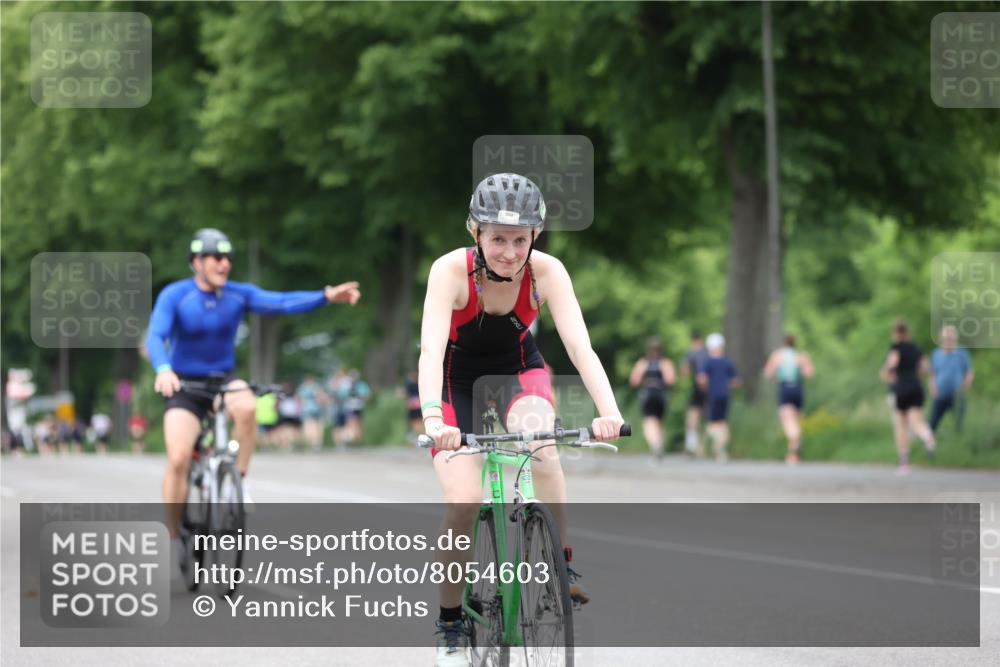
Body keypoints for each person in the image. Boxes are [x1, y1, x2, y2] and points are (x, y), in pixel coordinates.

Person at [419, 173, 624, 667]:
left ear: (535, 237)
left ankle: (561, 564)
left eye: (519, 239)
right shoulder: (450, 271)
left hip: (519, 371)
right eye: (497, 239)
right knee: (464, 501)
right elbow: (429, 349)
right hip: (455, 384)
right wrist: (432, 418)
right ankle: (450, 622)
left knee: (545, 447)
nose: (509, 251)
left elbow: (579, 345)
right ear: (476, 234)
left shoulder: (548, 272)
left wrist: (609, 411)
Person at [146, 228, 361, 574]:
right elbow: (156, 334)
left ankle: (237, 481)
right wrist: (163, 368)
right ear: (196, 262)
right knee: (178, 458)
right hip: (184, 384)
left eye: (229, 257)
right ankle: (174, 537)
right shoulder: (176, 295)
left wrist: (325, 295)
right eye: (217, 257)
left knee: (247, 406)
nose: (224, 263)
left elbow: (280, 302)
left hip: (222, 380)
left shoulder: (237, 294)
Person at [879, 319, 935, 474]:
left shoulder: (896, 347)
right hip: (917, 386)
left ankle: (904, 461)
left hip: (902, 387)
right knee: (916, 421)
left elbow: (892, 364)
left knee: (901, 425)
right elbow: (926, 368)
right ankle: (927, 436)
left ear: (895, 332)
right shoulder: (916, 348)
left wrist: (885, 372)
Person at [763, 334, 815, 464]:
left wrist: (777, 371)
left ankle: (794, 441)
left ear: (783, 344)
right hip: (798, 388)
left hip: (785, 389)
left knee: (787, 420)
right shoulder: (801, 356)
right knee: (796, 420)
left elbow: (768, 373)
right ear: (794, 344)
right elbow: (809, 373)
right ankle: (793, 454)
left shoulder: (777, 355)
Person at [628, 337, 676, 463]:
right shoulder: (665, 363)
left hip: (649, 394)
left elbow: (634, 381)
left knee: (650, 421)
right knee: (658, 422)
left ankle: (655, 445)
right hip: (661, 395)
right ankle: (658, 444)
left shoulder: (643, 363)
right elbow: (671, 380)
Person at [697, 333, 741, 463]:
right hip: (725, 395)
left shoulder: (708, 362)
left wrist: (705, 388)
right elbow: (736, 381)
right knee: (723, 422)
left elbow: (701, 379)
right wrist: (727, 385)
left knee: (712, 423)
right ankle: (720, 449)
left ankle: (712, 447)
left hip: (713, 395)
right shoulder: (728, 361)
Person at [928, 325, 974, 434]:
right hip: (941, 395)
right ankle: (929, 443)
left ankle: (959, 444)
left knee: (959, 423)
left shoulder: (962, 353)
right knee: (932, 422)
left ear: (955, 338)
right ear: (941, 339)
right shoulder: (936, 354)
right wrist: (933, 388)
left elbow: (969, 372)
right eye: (946, 338)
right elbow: (933, 374)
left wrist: (964, 388)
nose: (948, 340)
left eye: (950, 337)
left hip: (957, 395)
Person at [681, 332, 709, 457]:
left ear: (694, 341)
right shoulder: (708, 353)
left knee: (693, 417)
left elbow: (685, 371)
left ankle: (691, 446)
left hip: (698, 389)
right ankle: (706, 448)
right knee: (711, 419)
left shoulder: (692, 353)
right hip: (712, 389)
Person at [296, 373, 327, 451]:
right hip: (317, 409)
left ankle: (311, 442)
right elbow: (322, 397)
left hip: (307, 409)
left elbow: (299, 399)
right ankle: (316, 443)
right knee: (317, 427)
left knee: (309, 426)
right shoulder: (316, 387)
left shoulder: (303, 388)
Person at [403, 369, 423, 437]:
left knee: (414, 420)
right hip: (418, 404)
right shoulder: (419, 383)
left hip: (413, 404)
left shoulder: (409, 384)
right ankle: (417, 432)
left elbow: (406, 394)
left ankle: (415, 432)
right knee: (417, 419)